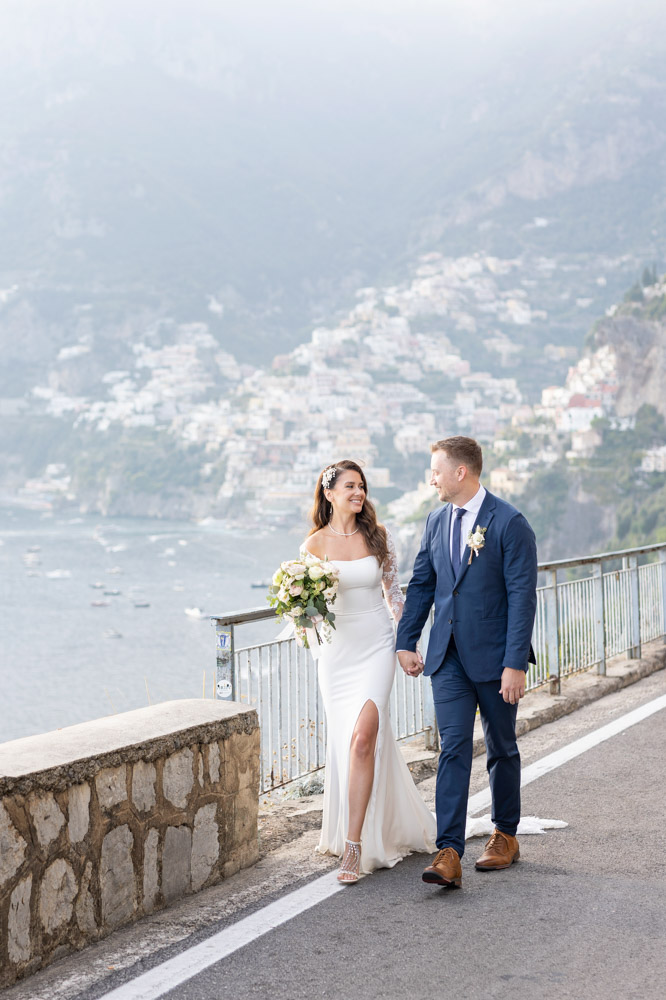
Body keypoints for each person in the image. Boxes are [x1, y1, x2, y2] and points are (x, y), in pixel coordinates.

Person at [396, 436, 537, 888]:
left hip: (497, 660)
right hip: (448, 658)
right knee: (453, 747)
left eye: (436, 470)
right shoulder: (436, 520)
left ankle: (505, 835)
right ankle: (449, 852)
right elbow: (422, 584)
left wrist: (515, 662)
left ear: (461, 472)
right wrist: (407, 640)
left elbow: (522, 598)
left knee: (501, 747)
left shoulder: (510, 523)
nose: (431, 478)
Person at [302, 459, 436, 883]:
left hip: (377, 644)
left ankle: (354, 846)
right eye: (349, 486)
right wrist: (305, 618)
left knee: (364, 738)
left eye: (361, 486)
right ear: (329, 493)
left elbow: (394, 594)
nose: (358, 493)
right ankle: (355, 831)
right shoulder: (312, 546)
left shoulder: (379, 537)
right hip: (337, 654)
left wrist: (406, 643)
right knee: (348, 742)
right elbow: (307, 612)